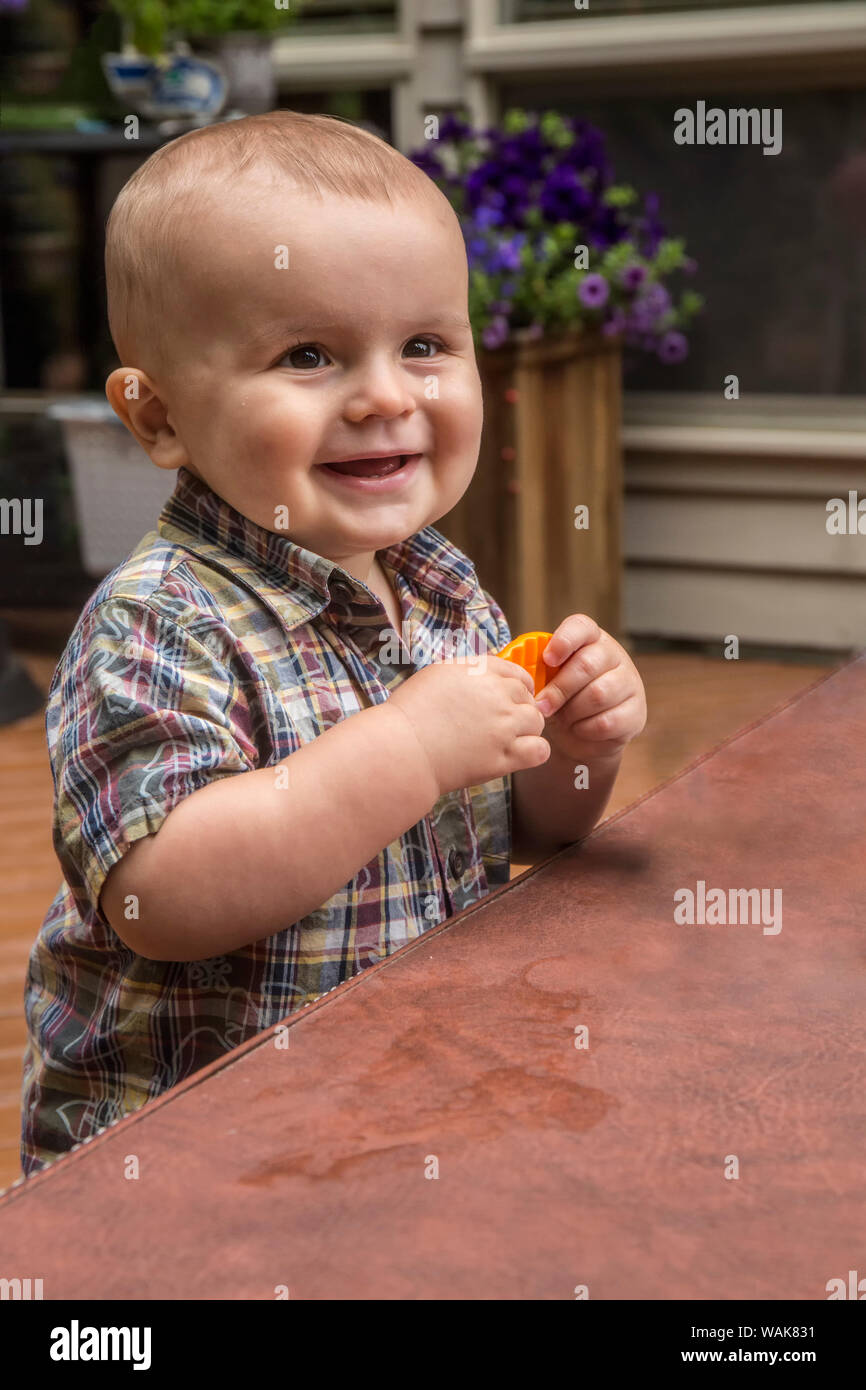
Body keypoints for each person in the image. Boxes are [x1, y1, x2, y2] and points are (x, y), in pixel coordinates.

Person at [20, 110, 646, 1177]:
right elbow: (156, 899)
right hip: (200, 1169)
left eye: (423, 346)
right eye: (307, 354)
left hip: (400, 1106)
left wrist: (580, 746)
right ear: (159, 417)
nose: (386, 396)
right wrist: (407, 749)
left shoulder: (442, 595)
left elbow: (530, 827)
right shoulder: (161, 621)